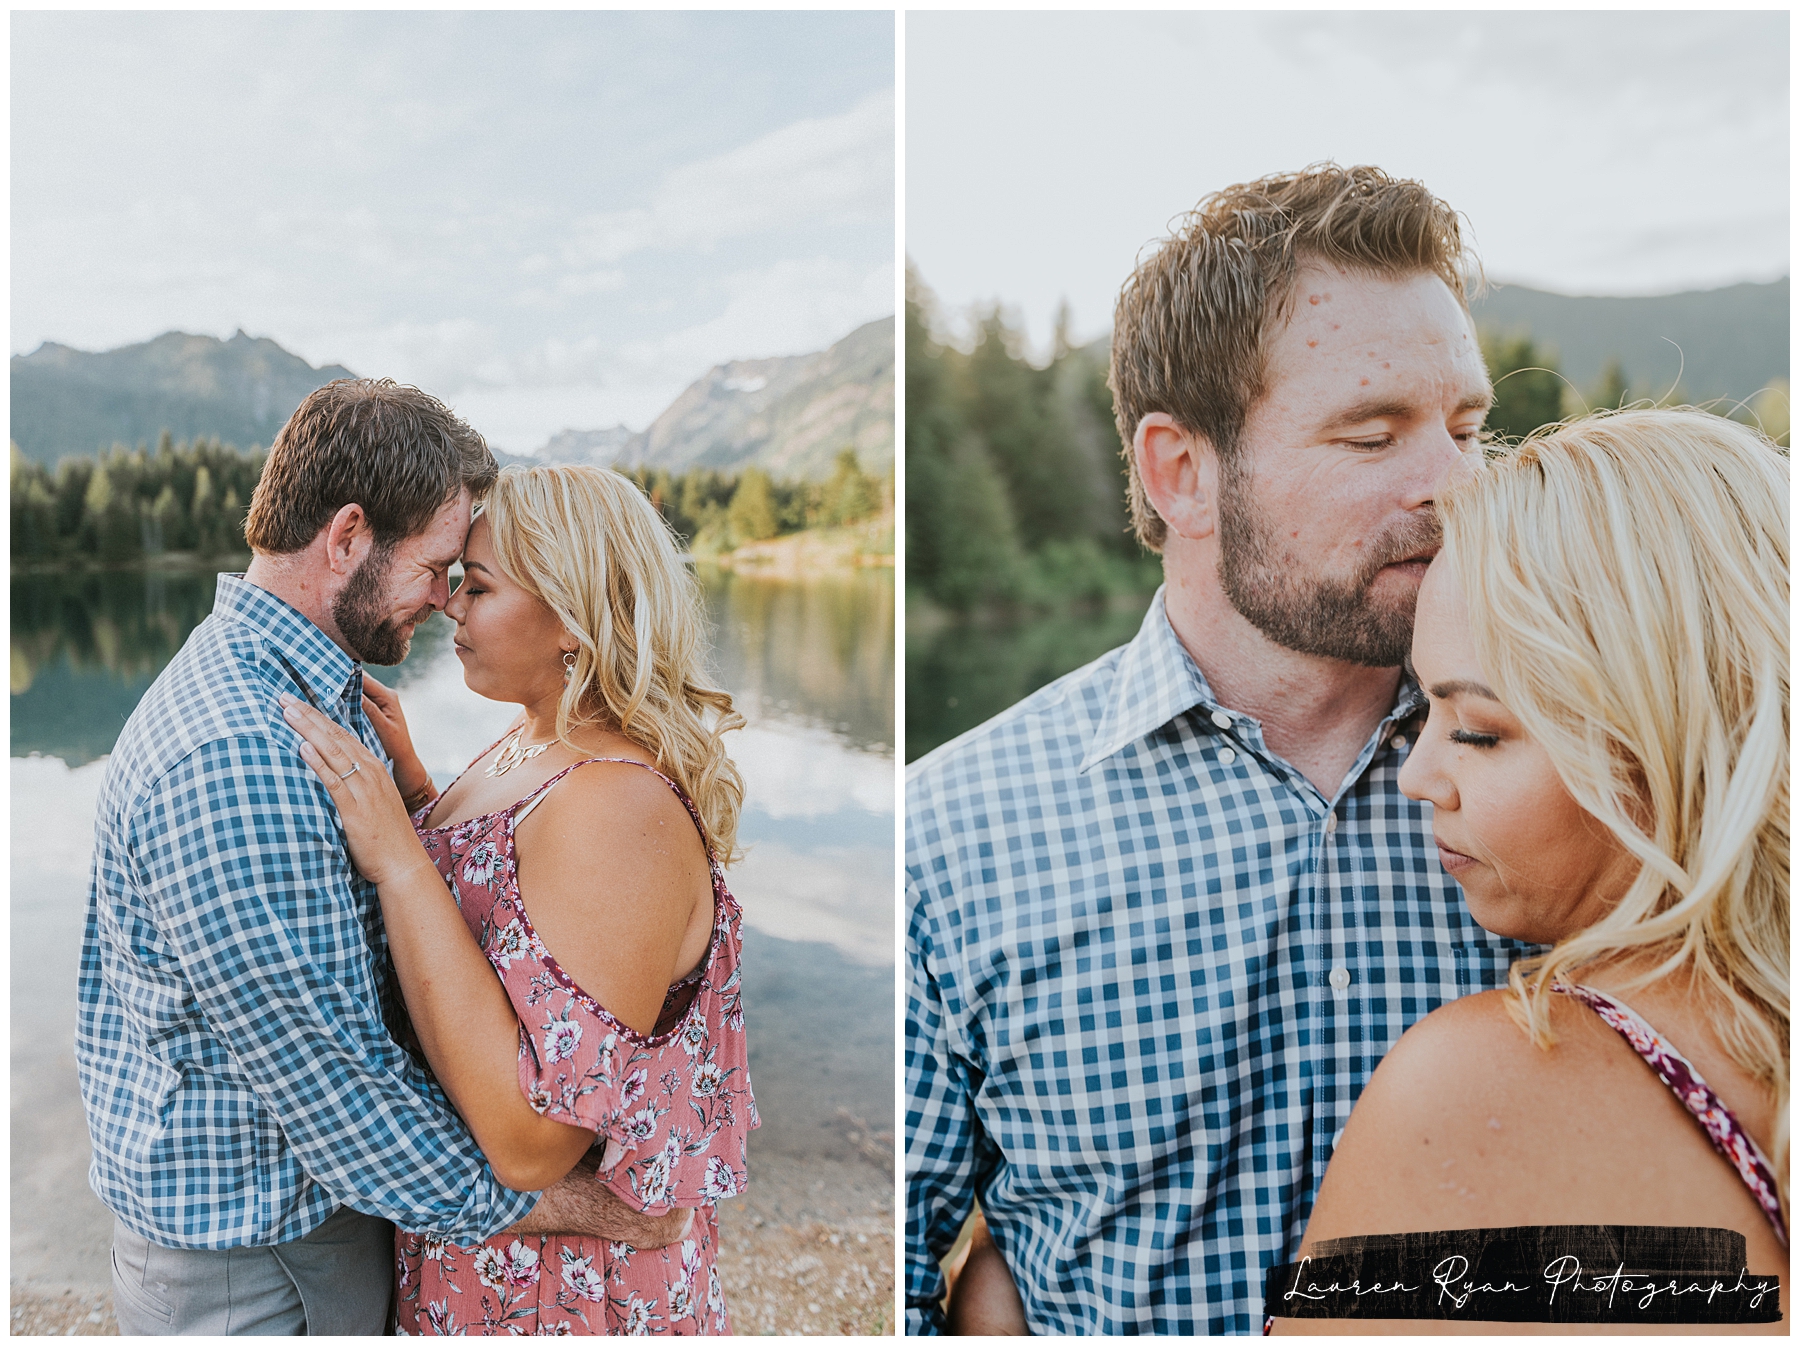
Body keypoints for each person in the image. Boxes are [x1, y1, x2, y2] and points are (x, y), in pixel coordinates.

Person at [904, 163, 1535, 1334]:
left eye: (1466, 426)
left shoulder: (1580, 789)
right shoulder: (946, 840)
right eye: (1372, 434)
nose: (1456, 486)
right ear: (1180, 472)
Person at [78, 380, 687, 1336]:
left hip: (287, 1238)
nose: (446, 601)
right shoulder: (238, 753)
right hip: (259, 1266)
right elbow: (337, 1085)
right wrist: (584, 1208)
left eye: (468, 579)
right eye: (443, 566)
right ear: (350, 537)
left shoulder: (296, 702)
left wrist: (413, 804)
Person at [1277, 408, 1787, 1332]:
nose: (1418, 777)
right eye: (1420, 713)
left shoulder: (1483, 1089)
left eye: (1477, 729)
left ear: (1657, 738)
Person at [284, 462, 756, 1334]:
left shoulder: (617, 807)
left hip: (567, 1295)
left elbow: (535, 1143)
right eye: (456, 580)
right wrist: (420, 793)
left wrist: (397, 853)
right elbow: (513, 932)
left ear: (573, 621)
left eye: (481, 586)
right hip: (493, 1265)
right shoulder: (535, 738)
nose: (450, 606)